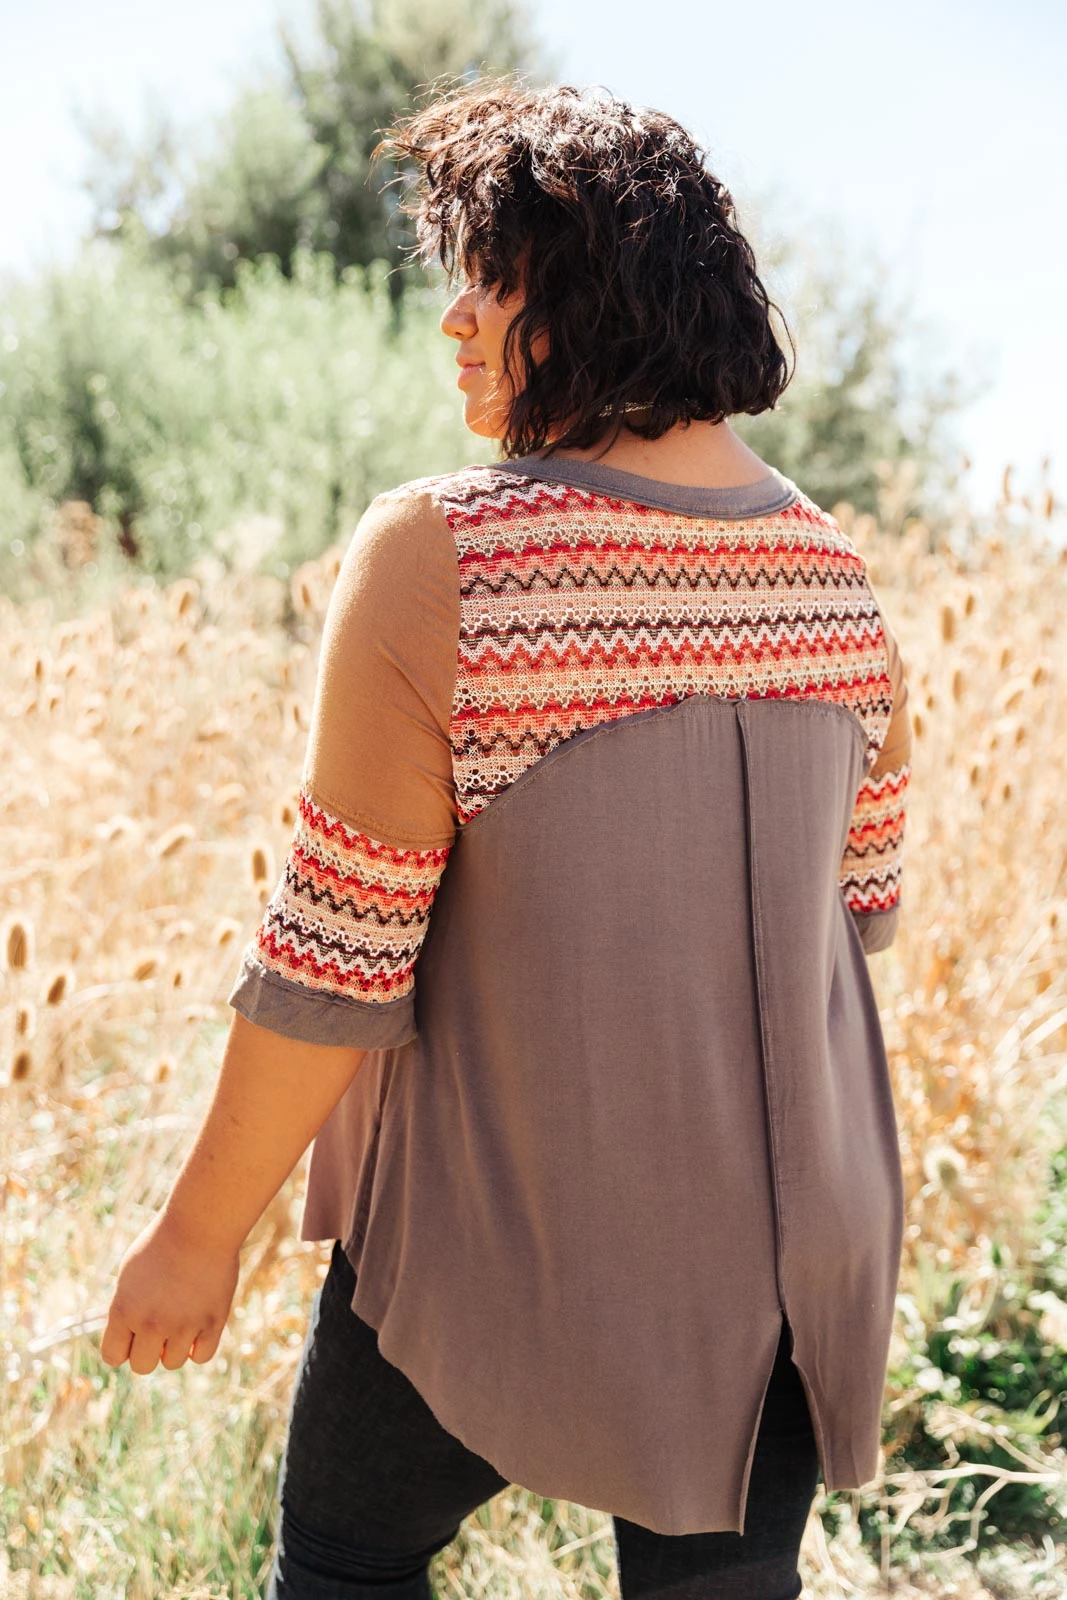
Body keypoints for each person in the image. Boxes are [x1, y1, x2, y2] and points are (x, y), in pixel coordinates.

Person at [101, 76, 913, 1600]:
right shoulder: (835, 580)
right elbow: (853, 916)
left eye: (492, 275)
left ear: (594, 290)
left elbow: (336, 957)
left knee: (344, 1565)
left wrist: (196, 1237)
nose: (453, 317)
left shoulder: (449, 554)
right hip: (788, 1268)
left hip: (493, 1245)